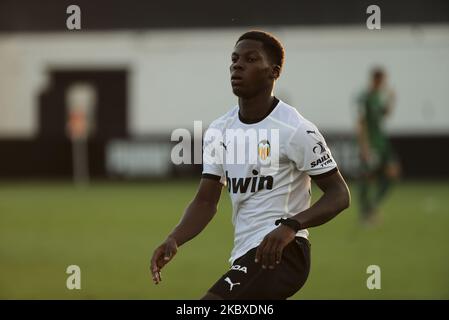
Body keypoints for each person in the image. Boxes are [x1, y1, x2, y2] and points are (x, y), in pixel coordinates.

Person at [150, 30, 350, 300]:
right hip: (246, 254)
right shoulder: (220, 130)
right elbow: (206, 201)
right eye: (234, 59)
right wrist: (175, 237)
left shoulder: (295, 129)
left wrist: (291, 226)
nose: (237, 65)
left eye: (251, 59)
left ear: (273, 72)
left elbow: (339, 195)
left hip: (284, 253)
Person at [356, 67, 401, 225]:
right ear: (375, 79)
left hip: (382, 143)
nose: (383, 83)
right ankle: (365, 213)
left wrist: (391, 99)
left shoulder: (377, 97)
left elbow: (386, 114)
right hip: (371, 144)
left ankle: (372, 206)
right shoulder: (365, 97)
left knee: (393, 173)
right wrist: (364, 146)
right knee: (367, 176)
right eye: (382, 80)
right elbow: (360, 123)